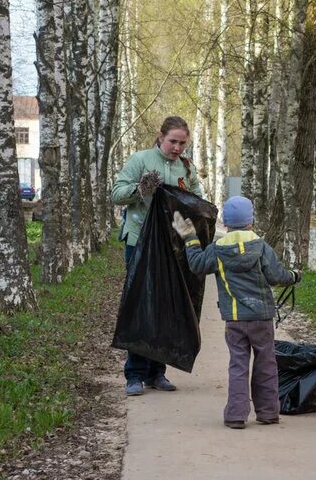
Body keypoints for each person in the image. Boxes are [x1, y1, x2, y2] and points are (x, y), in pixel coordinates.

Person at [171, 196, 301, 429]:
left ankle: (235, 415)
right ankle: (268, 412)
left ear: (226, 223)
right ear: (250, 221)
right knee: (267, 363)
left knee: (238, 364)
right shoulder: (261, 247)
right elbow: (276, 277)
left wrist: (190, 238)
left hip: (235, 319)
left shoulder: (217, 250)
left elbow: (197, 265)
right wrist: (294, 276)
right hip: (262, 318)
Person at [111, 116, 206, 396]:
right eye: (172, 141)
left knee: (166, 307)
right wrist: (139, 190)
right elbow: (117, 194)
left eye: (182, 143)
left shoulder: (186, 168)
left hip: (172, 247)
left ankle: (157, 372)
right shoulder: (140, 160)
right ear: (159, 136)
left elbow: (199, 201)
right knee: (141, 305)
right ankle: (135, 374)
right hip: (140, 241)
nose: (177, 147)